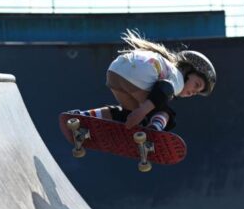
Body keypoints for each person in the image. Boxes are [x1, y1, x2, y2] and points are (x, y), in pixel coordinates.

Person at [72, 29, 216, 132]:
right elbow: (164, 88)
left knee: (125, 114)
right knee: (166, 112)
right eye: (196, 85)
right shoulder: (177, 76)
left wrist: (137, 112)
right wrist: (142, 111)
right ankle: (153, 130)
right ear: (187, 70)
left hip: (114, 71)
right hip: (138, 76)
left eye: (196, 93)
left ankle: (82, 117)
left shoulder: (165, 65)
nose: (193, 92)